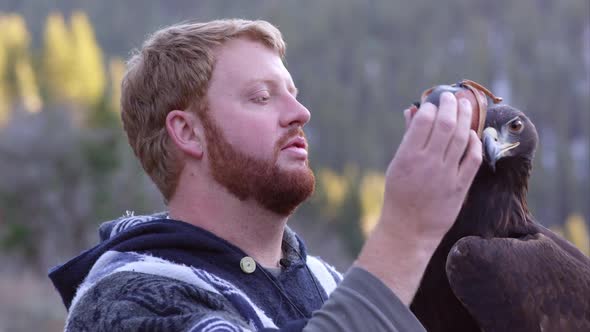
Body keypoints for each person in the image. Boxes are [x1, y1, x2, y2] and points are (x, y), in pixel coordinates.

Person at [49, 19, 482, 331]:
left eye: (293, 95)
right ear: (188, 132)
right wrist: (406, 234)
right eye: (261, 97)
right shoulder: (124, 302)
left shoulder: (328, 283)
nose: (300, 114)